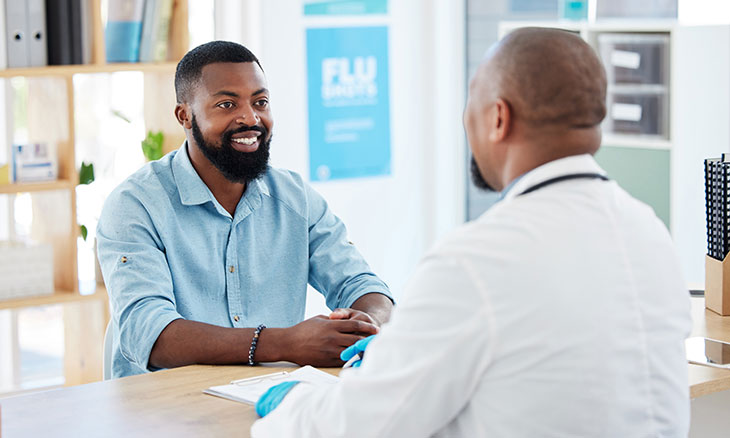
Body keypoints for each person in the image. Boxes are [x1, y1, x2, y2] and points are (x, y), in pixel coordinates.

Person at [251, 27, 691, 437]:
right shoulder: (649, 231)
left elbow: (361, 425)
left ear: (498, 117)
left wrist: (292, 404)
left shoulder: (478, 259)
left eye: (470, 104)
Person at [96, 41, 393, 378]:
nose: (250, 118)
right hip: (162, 412)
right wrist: (285, 344)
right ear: (185, 116)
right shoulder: (135, 205)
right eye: (226, 104)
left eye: (260, 102)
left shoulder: (295, 198)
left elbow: (362, 285)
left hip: (266, 400)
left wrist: (368, 324)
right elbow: (150, 335)